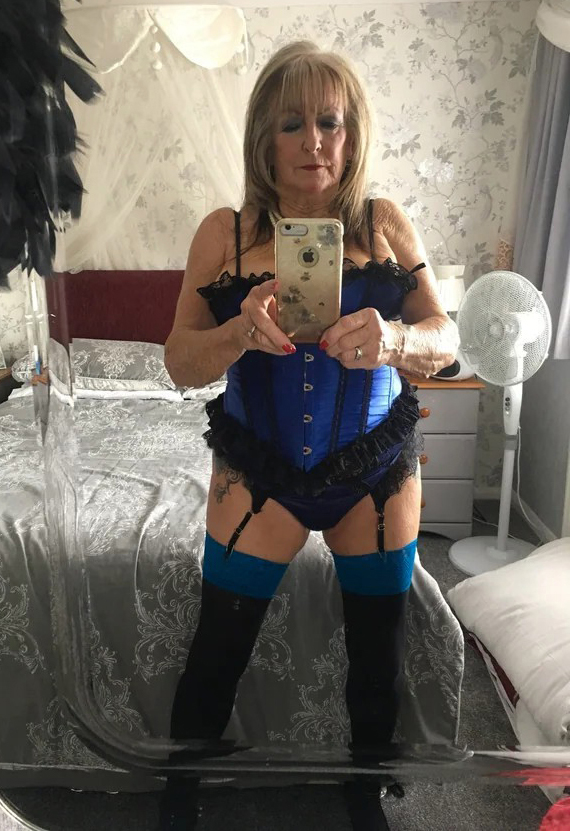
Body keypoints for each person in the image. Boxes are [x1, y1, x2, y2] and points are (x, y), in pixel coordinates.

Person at [161, 40, 459, 831]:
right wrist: (237, 334)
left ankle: (367, 793)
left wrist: (395, 339)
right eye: (292, 124)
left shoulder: (384, 226)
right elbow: (178, 362)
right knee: (216, 651)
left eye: (330, 122)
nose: (314, 142)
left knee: (378, 654)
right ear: (264, 137)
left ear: (353, 133)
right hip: (258, 469)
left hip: (375, 471)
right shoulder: (224, 234)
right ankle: (179, 797)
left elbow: (448, 338)